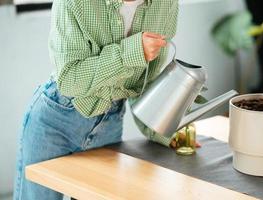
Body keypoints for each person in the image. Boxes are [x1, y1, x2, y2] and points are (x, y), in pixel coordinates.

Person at [13, 0, 198, 199]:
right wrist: (131, 52)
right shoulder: (73, 3)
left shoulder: (165, 4)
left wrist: (165, 132)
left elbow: (144, 84)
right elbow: (68, 79)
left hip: (108, 125)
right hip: (55, 123)